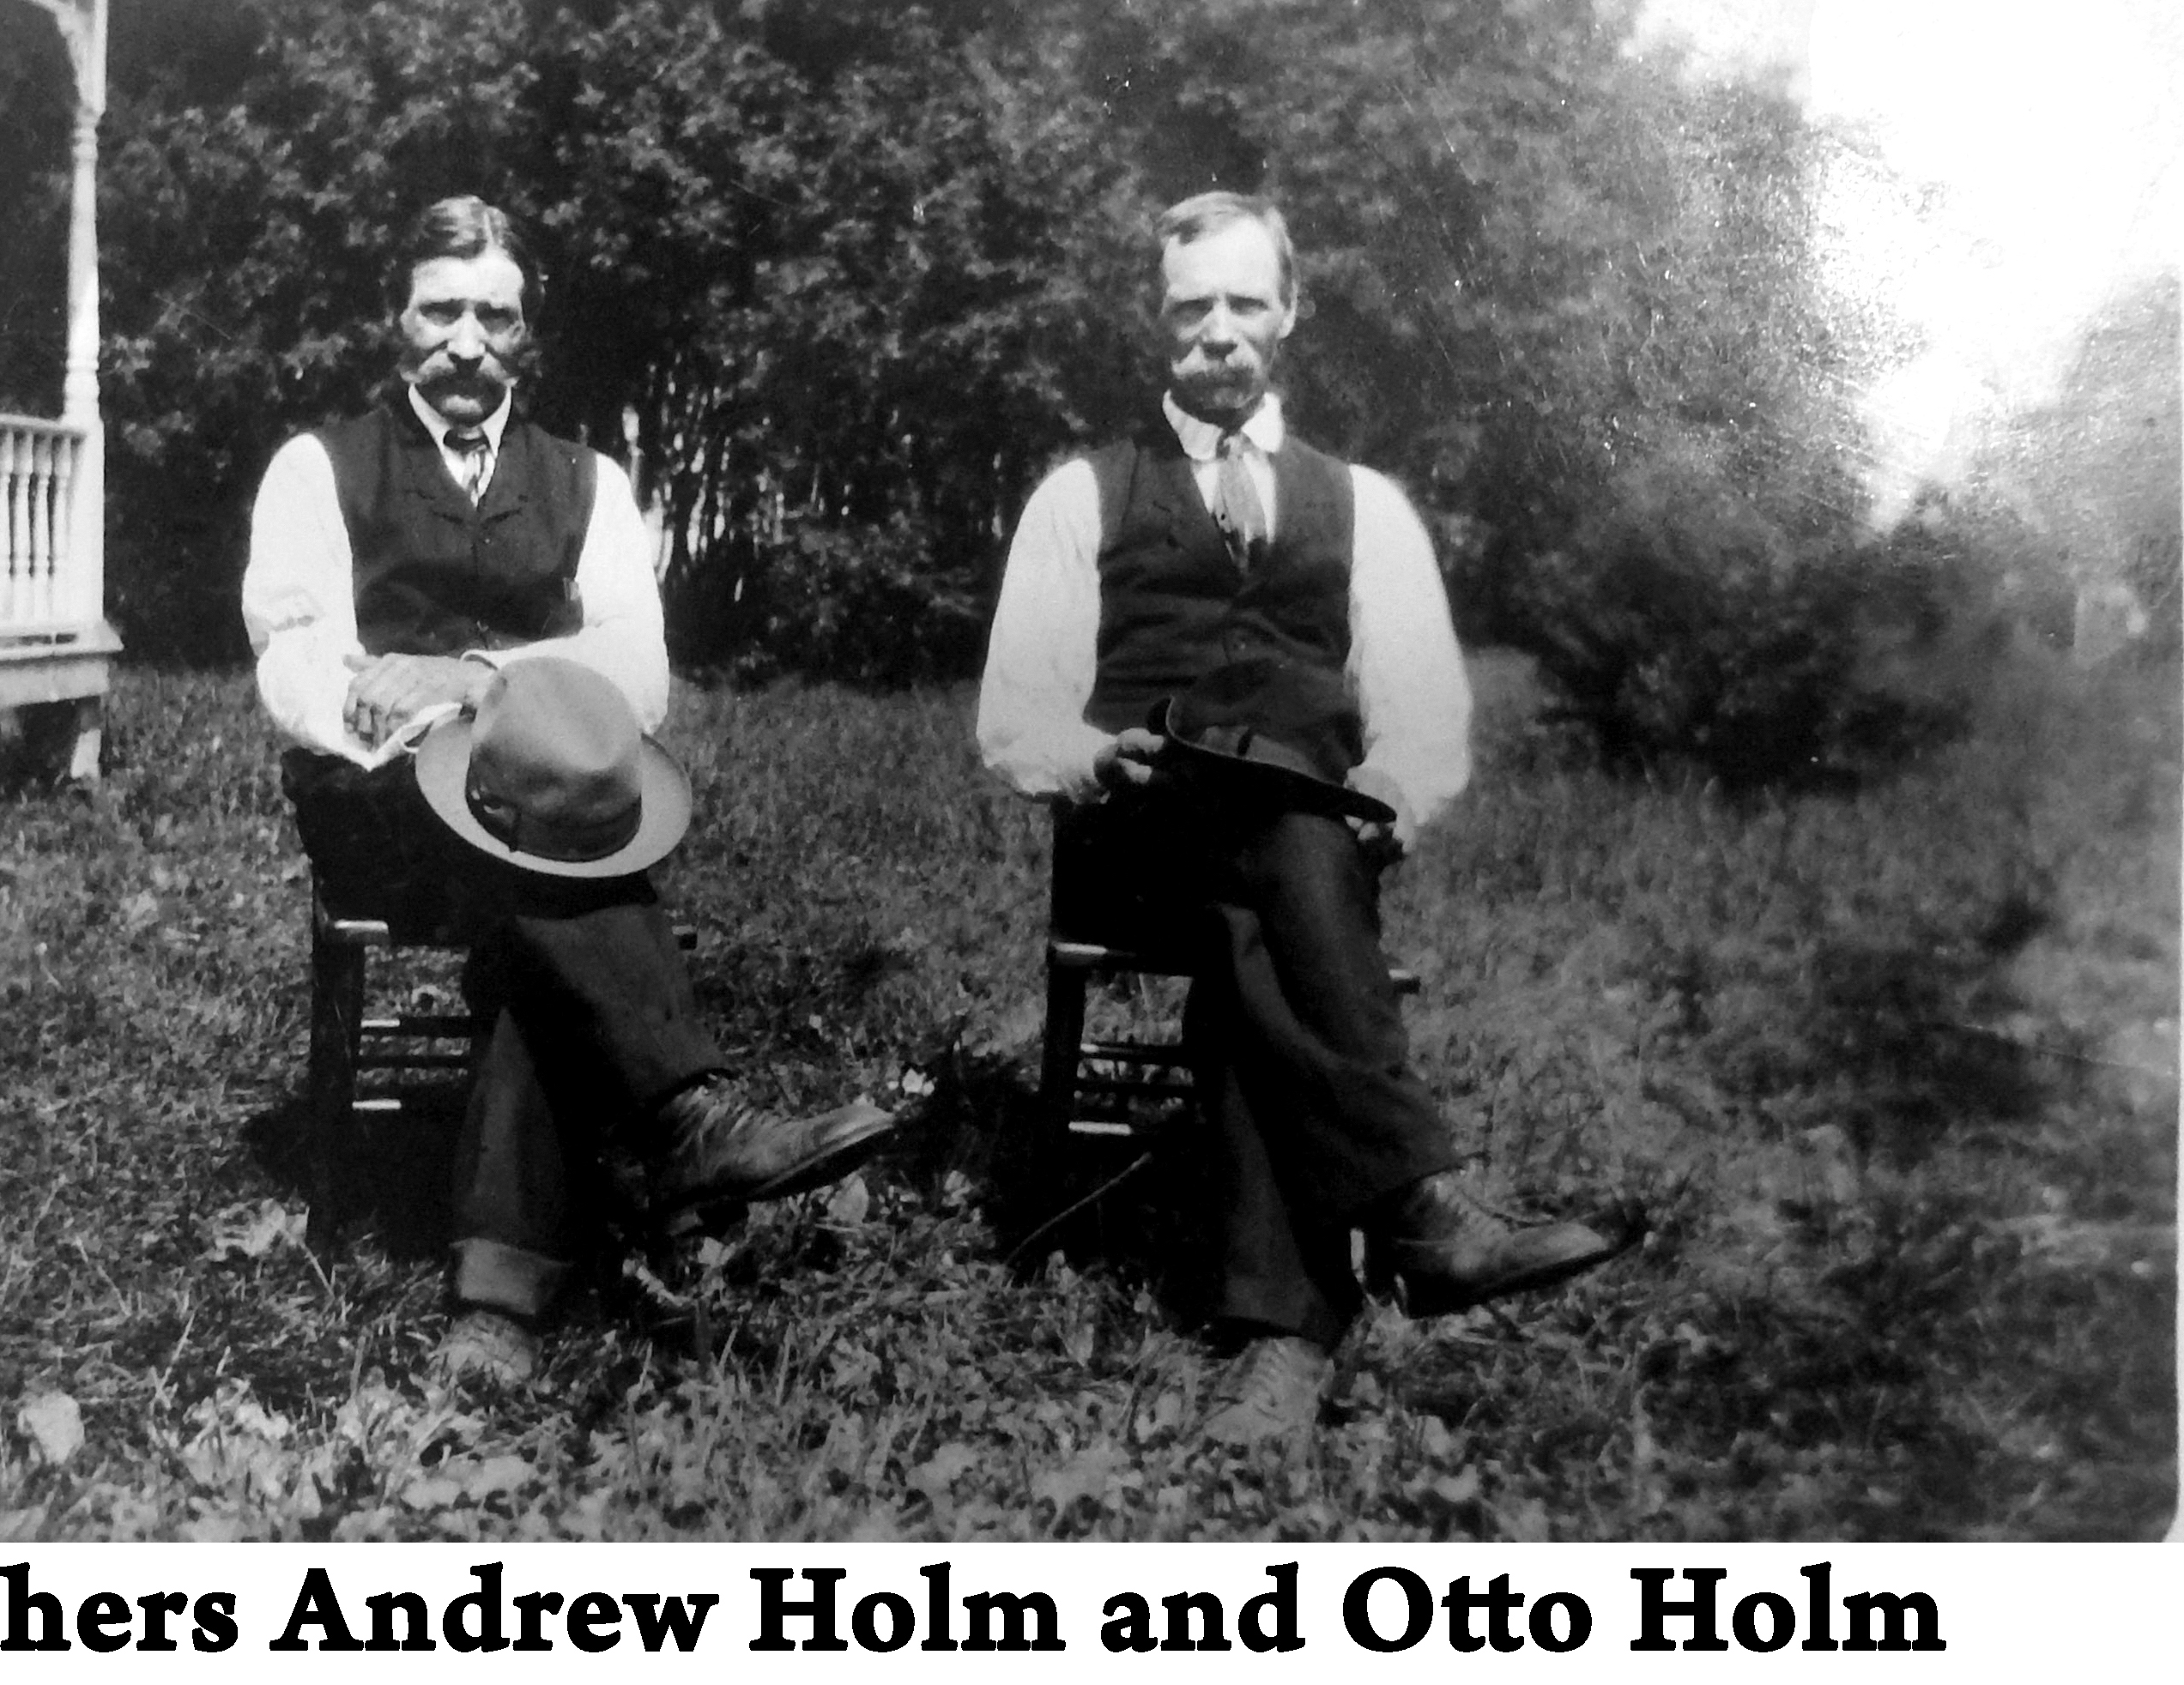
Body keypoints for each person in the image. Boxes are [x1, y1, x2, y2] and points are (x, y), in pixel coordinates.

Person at [977, 191, 1618, 1449]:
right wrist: (1094, 756)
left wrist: (1391, 790)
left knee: (1278, 874)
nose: (1218, 332)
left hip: (1308, 850)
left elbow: (1422, 714)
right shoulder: (1083, 495)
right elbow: (1018, 713)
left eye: (1244, 303)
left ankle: (1283, 1339)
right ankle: (1417, 1201)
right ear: (1153, 321)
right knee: (1275, 854)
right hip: (1139, 834)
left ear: (1291, 313)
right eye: (1189, 307)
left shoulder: (1362, 504)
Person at [243, 196, 893, 1390]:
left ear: (526, 335)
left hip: (536, 796)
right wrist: (437, 721)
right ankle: (685, 1120)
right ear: (396, 319)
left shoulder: (588, 481)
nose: (467, 342)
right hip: (376, 793)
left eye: (495, 315)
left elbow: (638, 670)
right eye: (442, 310)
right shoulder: (319, 469)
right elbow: (300, 664)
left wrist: (481, 680)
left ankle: (500, 1302)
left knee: (537, 870)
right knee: (559, 845)